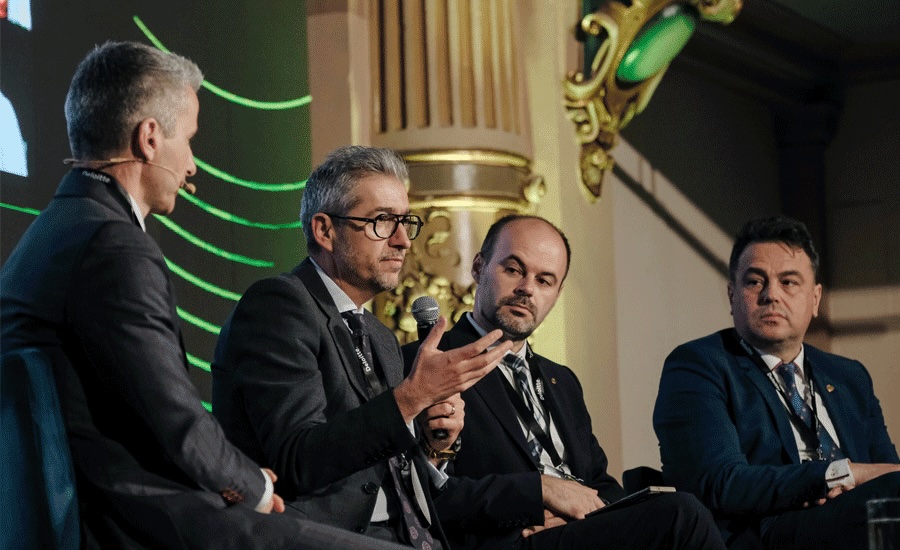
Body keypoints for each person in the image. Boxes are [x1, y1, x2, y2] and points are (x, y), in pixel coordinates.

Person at [0, 41, 401, 549]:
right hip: (132, 519)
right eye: (188, 141)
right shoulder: (114, 245)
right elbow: (172, 418)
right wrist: (253, 487)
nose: (192, 166)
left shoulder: (55, 229)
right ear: (149, 138)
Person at [212, 145, 527, 548]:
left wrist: (434, 447)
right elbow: (297, 460)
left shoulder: (380, 337)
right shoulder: (278, 306)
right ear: (325, 230)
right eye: (382, 221)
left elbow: (390, 470)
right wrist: (412, 397)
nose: (403, 241)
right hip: (317, 538)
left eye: (405, 222)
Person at [402, 215, 726, 550]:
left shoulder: (562, 380)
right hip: (507, 541)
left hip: (578, 534)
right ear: (478, 267)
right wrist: (540, 492)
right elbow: (425, 494)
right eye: (513, 270)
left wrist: (579, 513)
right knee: (682, 515)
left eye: (544, 281)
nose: (527, 288)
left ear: (557, 294)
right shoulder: (426, 364)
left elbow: (601, 483)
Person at [653, 215, 900, 549]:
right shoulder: (698, 365)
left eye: (789, 282)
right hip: (770, 531)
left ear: (815, 299)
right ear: (732, 295)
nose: (771, 295)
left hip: (860, 519)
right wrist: (836, 475)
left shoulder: (849, 376)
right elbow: (719, 482)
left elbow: (888, 470)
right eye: (755, 282)